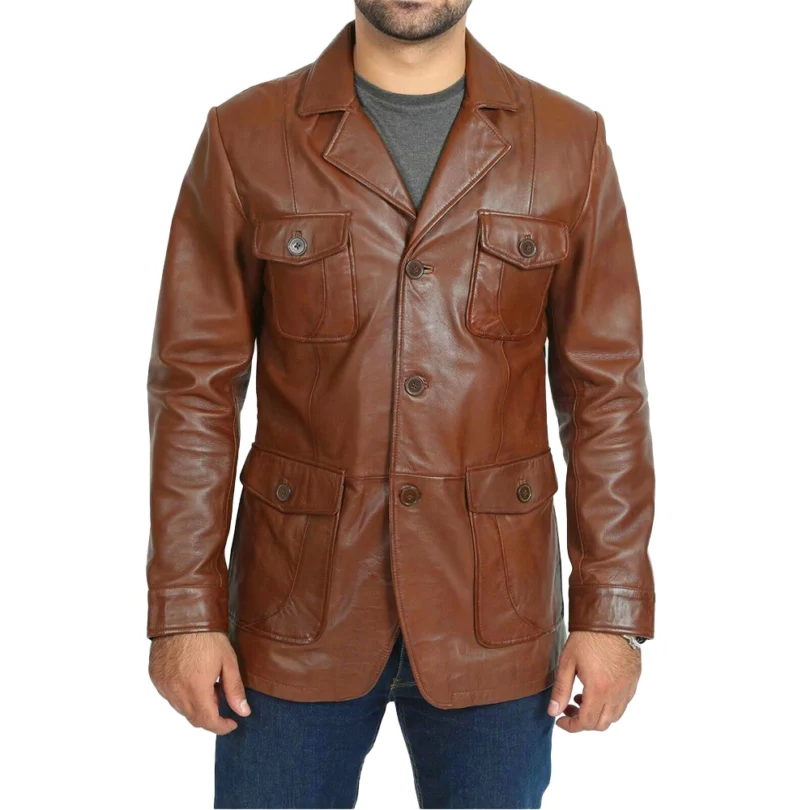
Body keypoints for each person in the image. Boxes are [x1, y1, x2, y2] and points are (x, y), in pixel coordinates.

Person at [146, 1, 656, 807]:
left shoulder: (567, 140)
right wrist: (184, 610)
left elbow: (607, 393)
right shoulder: (245, 136)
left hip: (497, 612)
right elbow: (194, 387)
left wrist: (611, 611)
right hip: (294, 609)